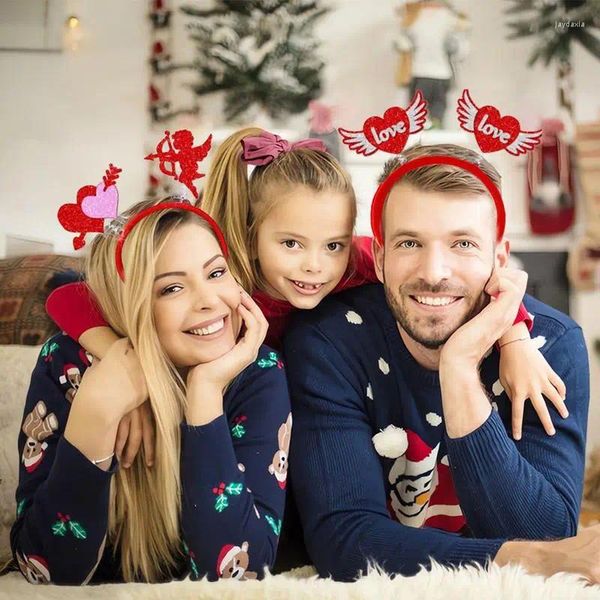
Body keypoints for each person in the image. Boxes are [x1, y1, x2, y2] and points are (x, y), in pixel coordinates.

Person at [46, 129, 563, 442]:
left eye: (332, 245)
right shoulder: (222, 275)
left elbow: (475, 275)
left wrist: (515, 339)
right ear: (251, 238)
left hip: (298, 420)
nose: (316, 267)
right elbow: (66, 294)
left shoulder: (366, 261)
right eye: (291, 244)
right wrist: (123, 363)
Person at [282, 143, 596, 582]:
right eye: (410, 242)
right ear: (381, 257)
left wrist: (459, 370)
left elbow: (543, 531)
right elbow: (345, 540)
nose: (435, 271)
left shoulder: (551, 344)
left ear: (499, 259)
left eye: (463, 244)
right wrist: (529, 560)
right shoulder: (329, 341)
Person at [11, 198, 291, 584]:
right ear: (130, 305)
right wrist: (97, 410)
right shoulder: (66, 364)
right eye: (172, 288)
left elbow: (241, 573)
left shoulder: (257, 372)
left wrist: (205, 394)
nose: (210, 301)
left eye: (216, 273)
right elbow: (45, 571)